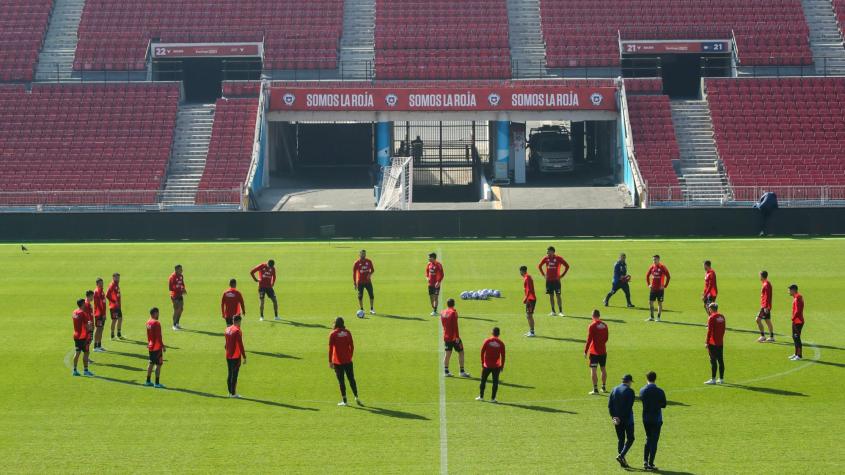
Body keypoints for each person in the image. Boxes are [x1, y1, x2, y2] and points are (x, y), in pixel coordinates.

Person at [329, 317, 360, 406]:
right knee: (351, 379)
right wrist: (350, 356)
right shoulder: (347, 332)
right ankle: (356, 396)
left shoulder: (333, 334)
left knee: (341, 381)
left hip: (337, 361)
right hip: (348, 360)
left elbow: (330, 349)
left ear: (335, 324)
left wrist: (330, 361)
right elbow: (352, 346)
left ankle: (345, 400)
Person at [639, 371, 667, 471]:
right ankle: (651, 463)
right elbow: (664, 405)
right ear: (655, 378)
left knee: (648, 438)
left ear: (647, 378)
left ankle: (645, 461)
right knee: (654, 441)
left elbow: (642, 400)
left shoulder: (642, 390)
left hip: (646, 419)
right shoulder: (660, 391)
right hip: (656, 419)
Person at [608, 374, 636, 468]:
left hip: (616, 419)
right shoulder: (630, 391)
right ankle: (621, 456)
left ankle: (622, 461)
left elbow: (610, 405)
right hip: (627, 419)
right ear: (629, 381)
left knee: (621, 439)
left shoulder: (614, 389)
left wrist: (614, 417)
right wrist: (621, 417)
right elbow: (629, 407)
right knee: (631, 438)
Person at [441, 299, 470, 378]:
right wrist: (457, 337)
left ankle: (446, 371)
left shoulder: (442, 312)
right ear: (454, 304)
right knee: (461, 352)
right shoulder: (454, 313)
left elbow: (443, 324)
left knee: (447, 354)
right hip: (453, 337)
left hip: (446, 336)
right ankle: (462, 371)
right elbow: (455, 326)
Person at [538, 246, 570, 316]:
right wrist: (544, 275)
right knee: (551, 295)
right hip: (549, 281)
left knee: (558, 295)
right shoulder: (546, 258)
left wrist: (562, 275)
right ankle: (553, 311)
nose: (547, 252)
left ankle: (561, 312)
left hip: (556, 281)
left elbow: (567, 266)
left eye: (548, 251)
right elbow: (539, 266)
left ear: (552, 251)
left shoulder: (559, 258)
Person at [477, 327, 506, 403]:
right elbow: (503, 355)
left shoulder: (487, 341)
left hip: (486, 365)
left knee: (483, 380)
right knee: (495, 382)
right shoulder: (501, 343)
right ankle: (493, 398)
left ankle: (481, 396)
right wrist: (502, 366)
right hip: (496, 366)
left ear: (492, 333)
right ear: (499, 334)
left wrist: (482, 362)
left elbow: (482, 351)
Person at [585, 309, 609, 395]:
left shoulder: (592, 326)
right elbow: (606, 338)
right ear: (599, 315)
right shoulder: (605, 325)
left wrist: (585, 351)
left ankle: (595, 389)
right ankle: (603, 387)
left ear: (592, 316)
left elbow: (589, 340)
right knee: (603, 368)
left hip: (594, 351)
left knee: (593, 370)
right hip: (603, 351)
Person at [225, 315, 247, 398]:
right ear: (238, 321)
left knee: (229, 373)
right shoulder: (237, 331)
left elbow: (226, 344)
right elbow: (240, 345)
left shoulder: (227, 329)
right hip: (235, 356)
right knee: (235, 375)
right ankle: (233, 394)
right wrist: (244, 356)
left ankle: (230, 392)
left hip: (228, 355)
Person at [704, 303, 726, 384]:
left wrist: (706, 342)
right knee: (720, 360)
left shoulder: (711, 317)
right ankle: (721, 379)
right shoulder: (722, 317)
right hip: (720, 342)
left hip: (712, 342)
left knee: (713, 361)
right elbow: (724, 329)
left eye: (709, 308)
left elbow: (709, 331)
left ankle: (713, 379)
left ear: (711, 309)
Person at [71, 299, 94, 377]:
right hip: (83, 336)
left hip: (76, 335)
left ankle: (74, 370)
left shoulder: (74, 312)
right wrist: (90, 328)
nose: (85, 304)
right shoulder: (83, 313)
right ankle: (86, 370)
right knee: (86, 352)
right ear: (82, 304)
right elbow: (87, 325)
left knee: (77, 352)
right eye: (84, 303)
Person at [145, 308, 166, 389]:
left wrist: (149, 343)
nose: (158, 315)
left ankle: (148, 381)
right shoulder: (156, 323)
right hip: (157, 347)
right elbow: (159, 336)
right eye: (158, 313)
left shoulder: (148, 322)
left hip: (150, 346)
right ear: (154, 313)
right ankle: (157, 383)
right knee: (158, 364)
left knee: (151, 363)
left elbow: (148, 335)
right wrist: (163, 346)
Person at [645, 255, 670, 322]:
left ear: (658, 259)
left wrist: (665, 285)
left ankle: (658, 317)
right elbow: (647, 275)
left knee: (659, 303)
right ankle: (651, 317)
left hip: (660, 289)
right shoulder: (652, 266)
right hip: (653, 288)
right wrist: (649, 284)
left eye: (655, 259)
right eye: (653, 259)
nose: (654, 261)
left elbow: (668, 276)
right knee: (650, 302)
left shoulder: (662, 267)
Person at [353, 250, 376, 315]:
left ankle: (372, 309)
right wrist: (355, 283)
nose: (363, 255)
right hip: (360, 282)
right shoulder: (356, 263)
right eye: (362, 254)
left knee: (371, 295)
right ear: (359, 254)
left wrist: (370, 274)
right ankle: (362, 309)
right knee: (360, 296)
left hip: (368, 282)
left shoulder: (369, 261)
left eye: (364, 254)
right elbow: (354, 274)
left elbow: (373, 270)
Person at [756, 271, 775, 342]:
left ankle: (763, 336)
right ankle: (771, 337)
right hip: (765, 306)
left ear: (762, 276)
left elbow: (767, 296)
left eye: (759, 275)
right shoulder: (766, 283)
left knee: (757, 320)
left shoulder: (766, 284)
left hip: (765, 307)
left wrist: (766, 307)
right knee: (767, 321)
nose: (759, 277)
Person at [788, 284, 804, 361]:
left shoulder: (798, 298)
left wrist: (793, 317)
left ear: (793, 290)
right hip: (796, 321)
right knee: (794, 337)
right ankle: (796, 354)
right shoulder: (796, 297)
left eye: (789, 290)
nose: (788, 291)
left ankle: (800, 355)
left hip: (798, 321)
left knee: (797, 338)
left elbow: (798, 310)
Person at [520, 266, 537, 337]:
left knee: (529, 315)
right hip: (529, 299)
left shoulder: (527, 278)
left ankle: (532, 332)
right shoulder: (527, 277)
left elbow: (529, 289)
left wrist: (525, 298)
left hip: (531, 299)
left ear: (522, 271)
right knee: (528, 316)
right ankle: (531, 331)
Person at [168, 264, 186, 330]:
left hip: (180, 294)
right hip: (174, 295)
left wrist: (183, 289)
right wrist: (179, 289)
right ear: (176, 270)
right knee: (176, 310)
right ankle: (174, 325)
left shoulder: (181, 276)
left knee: (181, 309)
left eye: (181, 269)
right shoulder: (172, 277)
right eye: (180, 269)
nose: (182, 270)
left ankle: (177, 323)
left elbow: (182, 283)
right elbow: (170, 288)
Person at [106, 273, 123, 339]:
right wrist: (113, 301)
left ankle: (119, 333)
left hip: (118, 306)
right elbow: (107, 295)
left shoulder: (116, 284)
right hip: (113, 307)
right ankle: (112, 335)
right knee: (114, 320)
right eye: (116, 278)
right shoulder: (112, 285)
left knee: (120, 318)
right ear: (113, 278)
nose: (118, 279)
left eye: (119, 277)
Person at [92, 278, 107, 352]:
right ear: (97, 284)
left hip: (102, 314)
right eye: (100, 283)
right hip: (98, 314)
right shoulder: (97, 292)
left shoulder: (101, 291)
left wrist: (104, 314)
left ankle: (99, 345)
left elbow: (103, 303)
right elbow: (99, 305)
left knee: (101, 329)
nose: (102, 284)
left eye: (102, 282)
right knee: (98, 329)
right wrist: (102, 314)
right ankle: (95, 347)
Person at [83, 290, 95, 361]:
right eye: (92, 296)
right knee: (88, 342)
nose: (93, 297)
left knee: (89, 342)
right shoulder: (86, 304)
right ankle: (86, 358)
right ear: (89, 296)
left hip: (89, 326)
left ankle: (87, 357)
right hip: (88, 327)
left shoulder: (87, 303)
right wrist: (89, 326)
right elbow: (86, 316)